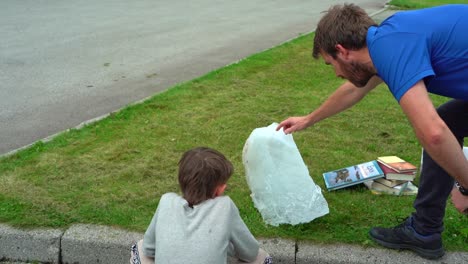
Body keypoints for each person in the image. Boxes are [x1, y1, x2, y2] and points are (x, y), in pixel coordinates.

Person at [276, 3, 468, 260]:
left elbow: (433, 132)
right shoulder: (388, 38)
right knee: (449, 120)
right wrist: (309, 119)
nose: (336, 73)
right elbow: (356, 88)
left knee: (440, 128)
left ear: (342, 51)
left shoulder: (392, 47)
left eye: (330, 63)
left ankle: (425, 229)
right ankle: (425, 230)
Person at [130, 147, 272, 264]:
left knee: (140, 246)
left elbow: (149, 249)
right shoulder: (225, 207)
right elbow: (250, 252)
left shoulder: (166, 201)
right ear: (220, 189)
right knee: (261, 257)